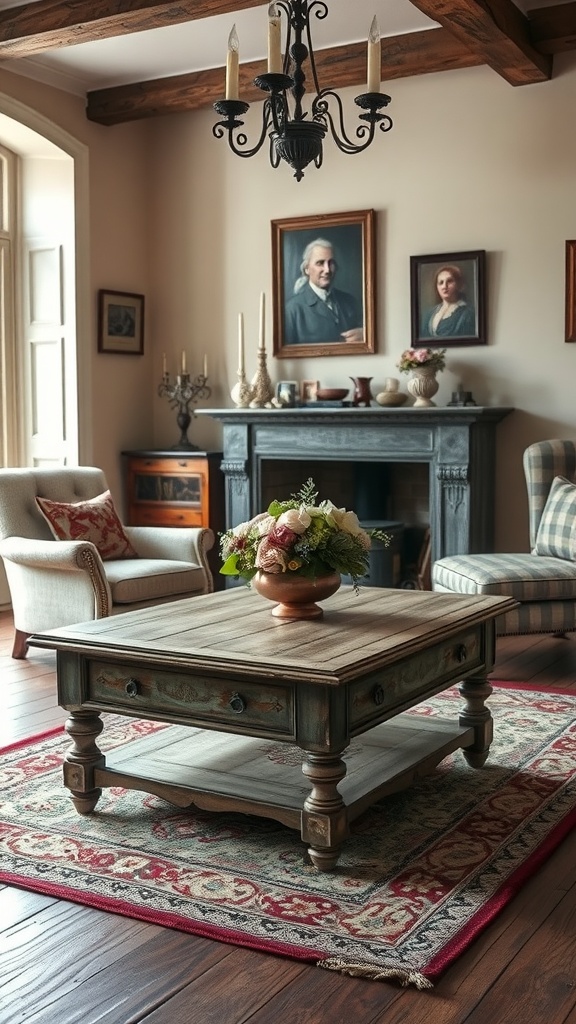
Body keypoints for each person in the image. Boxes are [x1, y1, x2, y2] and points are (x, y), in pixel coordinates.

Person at [284, 238, 363, 345]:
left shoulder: (350, 301)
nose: (327, 270)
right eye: (320, 263)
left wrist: (365, 335)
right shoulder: (293, 310)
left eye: (331, 263)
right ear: (307, 268)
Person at [421, 264, 476, 339]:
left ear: (459, 284)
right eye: (441, 283)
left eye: (449, 281)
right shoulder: (430, 314)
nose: (444, 286)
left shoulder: (468, 314)